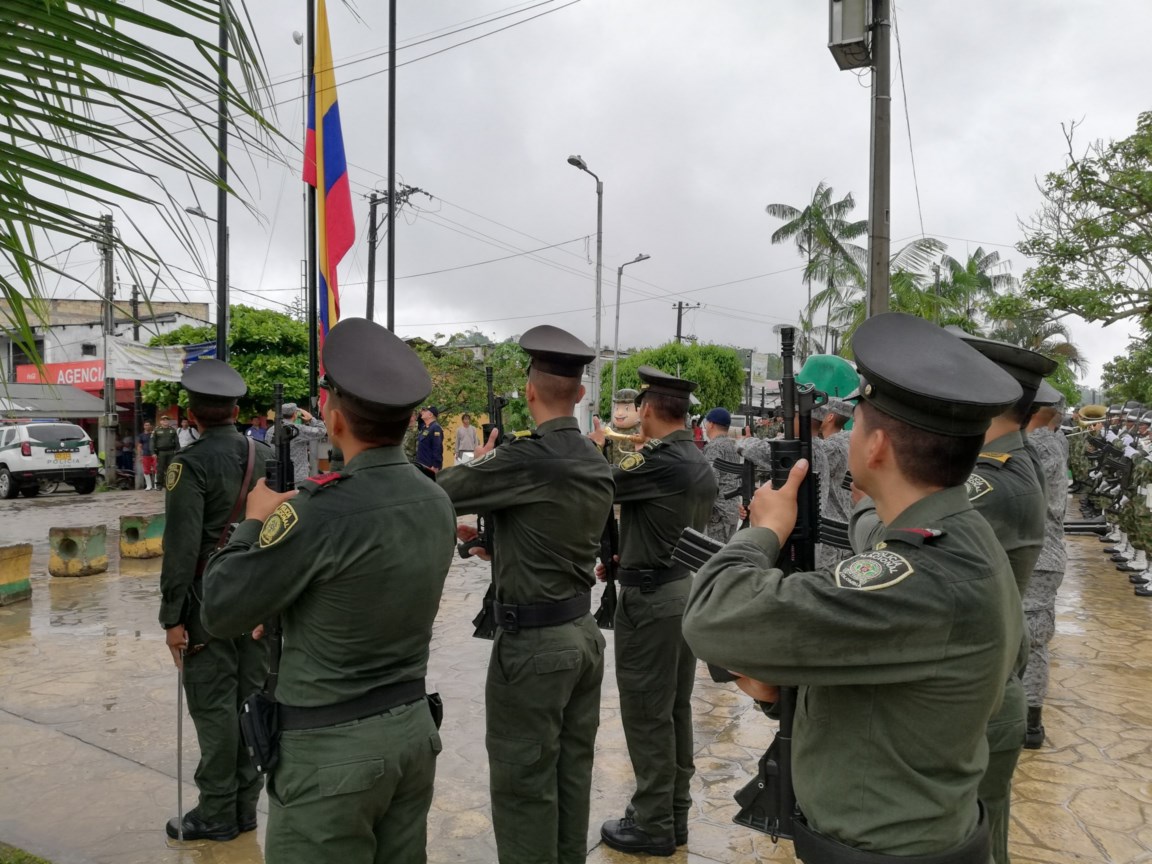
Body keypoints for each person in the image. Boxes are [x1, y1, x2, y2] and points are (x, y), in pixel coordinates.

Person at [682, 312, 1024, 860]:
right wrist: (786, 696)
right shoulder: (966, 534)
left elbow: (712, 616)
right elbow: (901, 690)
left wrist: (763, 531)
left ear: (877, 446)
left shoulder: (922, 571)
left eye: (856, 421)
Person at [201, 318, 455, 864]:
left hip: (332, 755)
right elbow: (361, 589)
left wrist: (253, 522)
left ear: (333, 418)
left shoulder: (317, 512)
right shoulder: (435, 500)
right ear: (410, 419)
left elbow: (220, 610)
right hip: (411, 733)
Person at [438, 325, 615, 864]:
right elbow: (552, 532)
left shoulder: (524, 458)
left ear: (529, 391)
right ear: (580, 394)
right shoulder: (594, 458)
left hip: (534, 647)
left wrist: (479, 460)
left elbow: (438, 492)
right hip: (581, 637)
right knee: (570, 778)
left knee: (522, 790)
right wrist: (498, 544)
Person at [588, 366, 716, 857]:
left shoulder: (660, 461)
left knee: (646, 715)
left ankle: (652, 822)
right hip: (678, 592)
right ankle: (674, 814)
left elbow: (603, 484)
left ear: (645, 409)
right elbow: (661, 524)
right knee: (673, 710)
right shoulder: (693, 458)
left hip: (652, 603)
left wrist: (598, 445)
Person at [951, 330, 1055, 864]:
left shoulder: (993, 481)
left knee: (978, 842)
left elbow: (888, 537)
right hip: (985, 681)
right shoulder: (1003, 463)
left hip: (980, 692)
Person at [158, 359, 273, 842]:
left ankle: (218, 813)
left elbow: (181, 548)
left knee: (213, 706)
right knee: (252, 699)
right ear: (237, 408)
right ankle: (247, 805)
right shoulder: (265, 455)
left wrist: (172, 617)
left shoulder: (189, 464)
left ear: (191, 413)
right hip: (260, 594)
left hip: (209, 597)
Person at [1023, 381, 1070, 749]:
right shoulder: (1053, 440)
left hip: (1039, 557)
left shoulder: (1041, 443)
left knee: (1032, 640)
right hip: (1040, 554)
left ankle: (1029, 721)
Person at [701, 407, 741, 543]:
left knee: (713, 555)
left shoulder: (714, 447)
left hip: (718, 513)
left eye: (706, 423)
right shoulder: (733, 446)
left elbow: (710, 482)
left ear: (711, 424)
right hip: (732, 509)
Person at [266, 402, 328, 487]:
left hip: (277, 475)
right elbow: (322, 431)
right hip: (297, 478)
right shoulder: (296, 429)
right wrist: (311, 419)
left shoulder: (270, 431)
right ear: (295, 414)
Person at [603, 388, 642, 467]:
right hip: (613, 471)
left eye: (626, 409)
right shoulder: (611, 432)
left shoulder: (641, 433)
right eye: (617, 408)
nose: (620, 413)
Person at [152, 415, 180, 489]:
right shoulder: (156, 430)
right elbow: (152, 442)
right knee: (160, 469)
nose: (165, 421)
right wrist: (153, 452)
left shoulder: (173, 430)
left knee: (171, 468)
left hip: (171, 452)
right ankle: (159, 484)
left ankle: (170, 484)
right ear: (160, 421)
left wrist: (177, 451)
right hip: (161, 452)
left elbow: (177, 442)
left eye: (167, 420)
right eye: (163, 420)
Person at [415, 406, 444, 472]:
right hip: (422, 465)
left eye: (425, 411)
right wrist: (421, 412)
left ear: (430, 415)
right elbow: (419, 421)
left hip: (430, 467)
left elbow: (437, 448)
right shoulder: (425, 427)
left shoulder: (436, 428)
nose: (422, 412)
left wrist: (436, 466)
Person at [137, 420, 155, 490]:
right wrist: (139, 456)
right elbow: (139, 446)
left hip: (154, 454)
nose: (147, 426)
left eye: (148, 425)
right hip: (145, 454)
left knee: (156, 470)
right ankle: (149, 486)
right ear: (144, 426)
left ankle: (156, 486)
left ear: (150, 426)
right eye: (146, 425)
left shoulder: (153, 434)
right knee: (146, 470)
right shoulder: (141, 435)